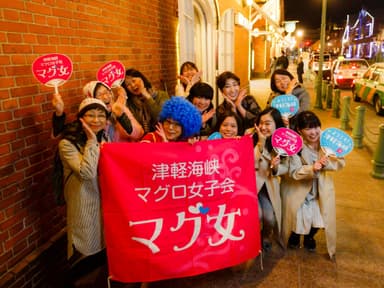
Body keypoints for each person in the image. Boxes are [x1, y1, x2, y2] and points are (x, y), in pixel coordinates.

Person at [280, 111, 345, 260]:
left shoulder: (327, 142)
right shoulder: (296, 146)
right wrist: (311, 168)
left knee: (321, 216)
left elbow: (341, 161)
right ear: (299, 130)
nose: (314, 132)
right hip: (301, 187)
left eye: (316, 127)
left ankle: (310, 237)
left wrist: (327, 164)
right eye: (308, 128)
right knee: (297, 215)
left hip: (320, 188)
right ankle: (295, 236)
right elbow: (294, 172)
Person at [58, 98, 109, 285]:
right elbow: (87, 173)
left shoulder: (105, 137)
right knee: (85, 253)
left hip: (103, 206)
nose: (96, 120)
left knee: (102, 252)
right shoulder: (67, 144)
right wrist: (92, 141)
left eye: (101, 116)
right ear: (81, 118)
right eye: (90, 115)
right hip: (83, 209)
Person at [52, 81, 144, 142]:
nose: (106, 96)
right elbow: (59, 136)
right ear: (91, 99)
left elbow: (139, 134)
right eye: (100, 94)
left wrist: (121, 116)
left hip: (122, 159)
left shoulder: (120, 108)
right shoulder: (89, 117)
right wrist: (59, 113)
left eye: (108, 92)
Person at [252, 107, 286, 252]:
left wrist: (276, 167)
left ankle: (265, 235)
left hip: (268, 187)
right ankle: (251, 240)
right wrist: (260, 143)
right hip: (251, 185)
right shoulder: (250, 136)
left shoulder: (282, 143)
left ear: (276, 125)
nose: (263, 127)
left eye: (268, 123)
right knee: (256, 215)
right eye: (261, 123)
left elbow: (287, 168)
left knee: (269, 218)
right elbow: (250, 162)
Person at [122, 68, 170, 134]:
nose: (132, 85)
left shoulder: (162, 95)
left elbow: (161, 119)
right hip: (141, 140)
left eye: (134, 81)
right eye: (128, 85)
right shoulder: (130, 103)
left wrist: (148, 97)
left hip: (160, 137)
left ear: (142, 79)